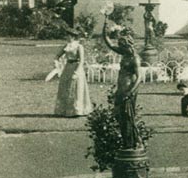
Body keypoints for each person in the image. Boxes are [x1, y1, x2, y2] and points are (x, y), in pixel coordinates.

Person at [102, 17, 142, 149]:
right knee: (120, 115)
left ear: (127, 45)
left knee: (128, 117)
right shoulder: (124, 54)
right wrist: (105, 28)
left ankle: (132, 142)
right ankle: (127, 141)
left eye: (122, 45)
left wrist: (130, 92)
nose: (119, 48)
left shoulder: (134, 58)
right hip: (121, 87)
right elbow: (109, 44)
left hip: (129, 89)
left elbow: (139, 77)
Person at [54, 28, 93, 117]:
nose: (67, 37)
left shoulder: (79, 46)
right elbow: (57, 55)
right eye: (67, 35)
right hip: (68, 67)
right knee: (65, 87)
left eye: (68, 36)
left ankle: (77, 110)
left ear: (73, 37)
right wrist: (56, 62)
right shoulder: (66, 46)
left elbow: (82, 60)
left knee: (76, 88)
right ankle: (64, 110)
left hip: (76, 67)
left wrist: (77, 72)